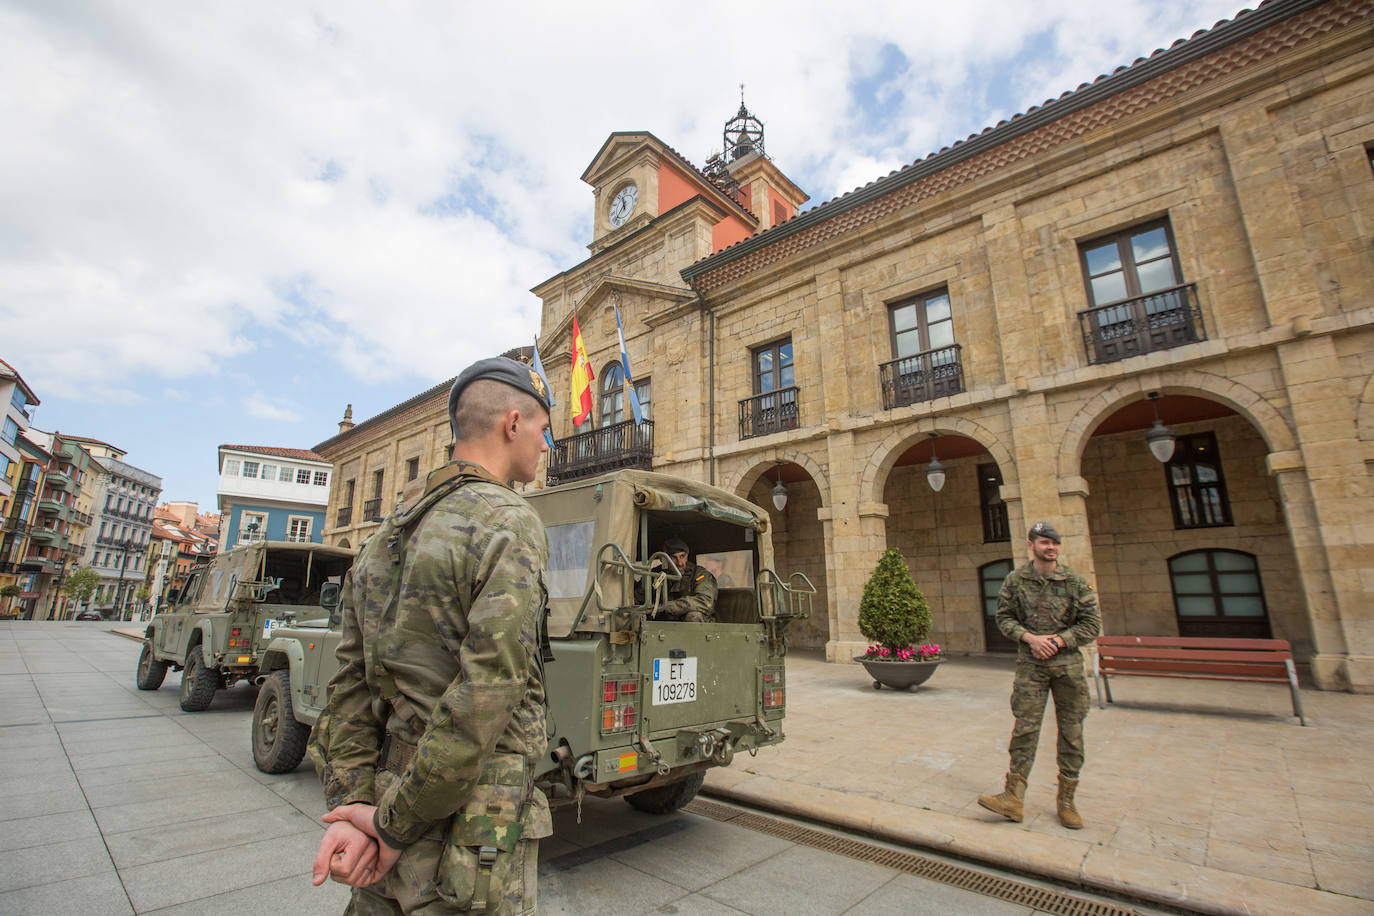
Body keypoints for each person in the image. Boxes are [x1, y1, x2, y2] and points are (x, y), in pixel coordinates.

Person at [308, 355, 554, 914]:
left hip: (382, 816)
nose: (546, 446)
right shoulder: (507, 520)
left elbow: (349, 687)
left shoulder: (379, 540)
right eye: (543, 429)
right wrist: (395, 828)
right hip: (464, 837)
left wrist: (355, 809)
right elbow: (487, 695)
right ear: (512, 424)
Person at [977, 521, 1101, 830]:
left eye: (1054, 543)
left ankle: (1067, 801)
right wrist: (1031, 639)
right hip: (1031, 666)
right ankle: (1013, 797)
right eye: (1045, 542)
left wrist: (1058, 641)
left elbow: (1091, 625)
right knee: (1025, 730)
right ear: (1031, 545)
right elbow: (1003, 618)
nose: (1051, 547)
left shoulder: (1074, 581)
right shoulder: (1015, 580)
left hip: (1068, 668)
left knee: (1071, 733)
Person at [655, 537, 718, 622]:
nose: (680, 563)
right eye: (673, 558)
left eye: (682, 556)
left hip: (700, 628)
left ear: (687, 556)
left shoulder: (700, 574)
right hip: (665, 625)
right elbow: (639, 596)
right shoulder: (656, 574)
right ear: (663, 560)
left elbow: (705, 601)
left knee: (693, 616)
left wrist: (669, 607)